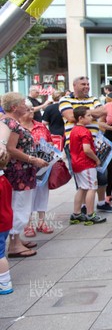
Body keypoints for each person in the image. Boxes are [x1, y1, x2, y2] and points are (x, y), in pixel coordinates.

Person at [1, 92, 48, 258]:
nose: (27, 105)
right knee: (19, 206)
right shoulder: (11, 123)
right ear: (14, 107)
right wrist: (32, 159)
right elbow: (11, 149)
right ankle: (14, 244)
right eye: (23, 103)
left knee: (19, 205)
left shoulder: (9, 121)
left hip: (20, 172)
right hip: (19, 173)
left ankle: (16, 239)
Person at [60, 76, 112, 214]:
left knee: (102, 174)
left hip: (96, 143)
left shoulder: (94, 99)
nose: (86, 86)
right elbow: (71, 117)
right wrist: (92, 113)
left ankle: (102, 203)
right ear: (74, 85)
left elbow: (104, 112)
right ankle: (84, 207)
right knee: (82, 177)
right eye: (83, 84)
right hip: (75, 145)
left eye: (88, 84)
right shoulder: (65, 100)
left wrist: (83, 113)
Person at [20, 100, 54, 237]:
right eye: (27, 110)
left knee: (42, 194)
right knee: (27, 196)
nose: (31, 112)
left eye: (32, 109)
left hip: (42, 167)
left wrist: (49, 147)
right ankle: (27, 224)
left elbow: (50, 141)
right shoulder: (17, 128)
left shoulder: (40, 126)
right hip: (25, 167)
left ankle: (41, 222)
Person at [68, 107, 106, 225]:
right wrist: (97, 159)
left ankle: (76, 213)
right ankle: (90, 214)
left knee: (82, 188)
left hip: (76, 162)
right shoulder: (85, 131)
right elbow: (87, 149)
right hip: (86, 163)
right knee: (92, 188)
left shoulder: (74, 130)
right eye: (88, 115)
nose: (91, 117)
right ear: (80, 118)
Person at [0, 121, 14, 294]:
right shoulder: (4, 179)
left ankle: (5, 283)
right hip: (5, 220)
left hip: (1, 221)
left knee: (0, 254)